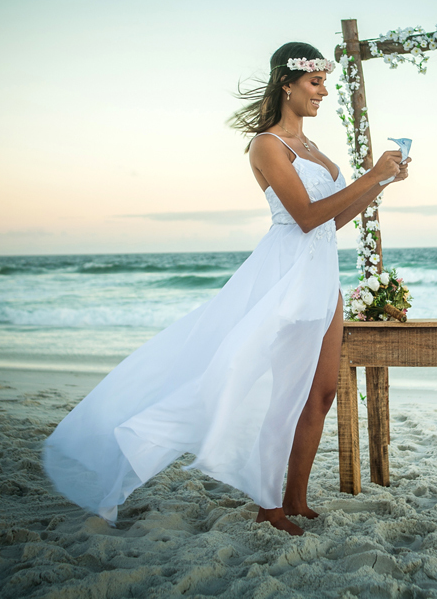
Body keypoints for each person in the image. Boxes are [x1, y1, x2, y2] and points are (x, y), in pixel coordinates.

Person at [43, 42, 410, 537]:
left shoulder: (317, 151)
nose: (324, 91)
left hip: (324, 281)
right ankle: (267, 506)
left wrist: (381, 184)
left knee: (320, 395)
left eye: (326, 82)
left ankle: (296, 499)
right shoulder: (267, 146)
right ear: (288, 84)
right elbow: (304, 218)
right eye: (315, 82)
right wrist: (371, 174)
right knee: (265, 393)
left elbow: (333, 221)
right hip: (284, 280)